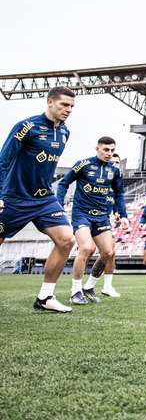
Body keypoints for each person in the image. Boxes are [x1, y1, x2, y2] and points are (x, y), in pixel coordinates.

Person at [0, 86, 77, 312]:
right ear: (50, 102)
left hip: (44, 199)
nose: (68, 110)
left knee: (66, 240)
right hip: (15, 198)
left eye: (72, 106)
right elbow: (3, 161)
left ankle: (45, 297)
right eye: (64, 104)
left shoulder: (64, 132)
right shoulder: (26, 127)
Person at [55, 136, 128, 304]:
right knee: (87, 248)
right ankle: (75, 291)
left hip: (102, 216)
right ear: (97, 149)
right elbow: (63, 184)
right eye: (106, 150)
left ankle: (89, 286)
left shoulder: (114, 171)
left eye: (112, 150)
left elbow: (119, 194)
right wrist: (59, 205)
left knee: (108, 252)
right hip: (82, 214)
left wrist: (123, 215)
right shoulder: (83, 164)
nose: (109, 153)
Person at [87, 152, 126, 297]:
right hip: (88, 219)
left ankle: (106, 286)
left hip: (103, 221)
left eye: (118, 163)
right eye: (113, 162)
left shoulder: (115, 182)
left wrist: (119, 215)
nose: (115, 165)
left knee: (111, 251)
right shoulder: (98, 179)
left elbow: (117, 201)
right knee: (88, 250)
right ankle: (77, 286)